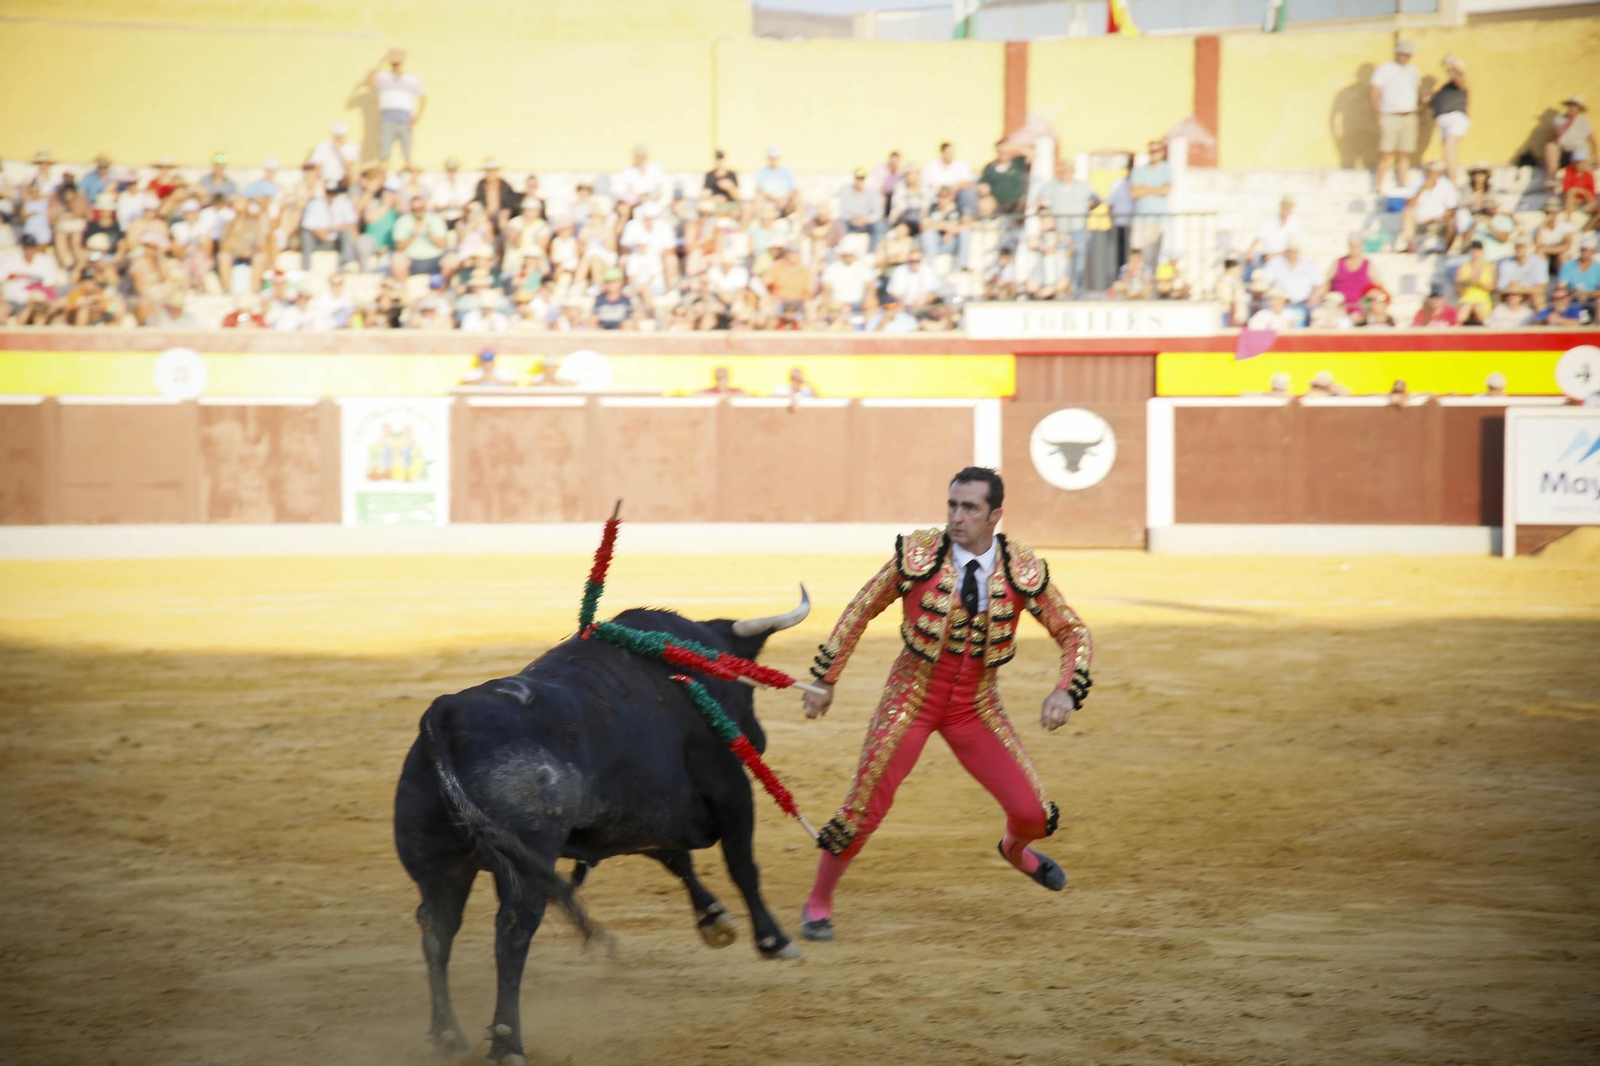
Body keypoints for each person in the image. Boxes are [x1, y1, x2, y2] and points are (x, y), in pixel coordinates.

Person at [797, 467, 1093, 942]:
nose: (957, 516)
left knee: (1034, 816)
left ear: (994, 515)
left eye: (970, 508)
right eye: (953, 505)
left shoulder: (1021, 570)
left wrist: (1065, 689)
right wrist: (825, 677)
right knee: (863, 807)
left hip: (975, 707)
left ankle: (1016, 852)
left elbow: (1072, 630)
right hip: (910, 696)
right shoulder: (918, 555)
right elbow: (861, 608)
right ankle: (818, 902)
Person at [1370, 39, 1421, 193]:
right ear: (1397, 53)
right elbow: (1374, 93)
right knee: (1385, 151)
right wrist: (1379, 116)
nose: (1405, 57)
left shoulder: (1413, 70)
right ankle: (1378, 186)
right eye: (1403, 54)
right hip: (1389, 115)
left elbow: (1416, 92)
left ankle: (1403, 187)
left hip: (1409, 116)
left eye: (1408, 54)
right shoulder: (1384, 69)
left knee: (1405, 153)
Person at [373, 49, 426, 166]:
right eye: (393, 63)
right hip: (388, 115)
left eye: (398, 63)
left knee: (407, 145)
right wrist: (380, 64)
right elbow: (371, 84)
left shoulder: (411, 78)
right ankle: (384, 167)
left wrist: (418, 115)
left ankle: (407, 166)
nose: (396, 66)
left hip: (405, 115)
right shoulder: (384, 76)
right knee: (385, 144)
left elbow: (423, 97)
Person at [1396, 163, 1457, 254]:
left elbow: (1451, 210)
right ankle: (1411, 245)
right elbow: (1409, 204)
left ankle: (1446, 249)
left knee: (1452, 221)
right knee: (1407, 212)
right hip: (1419, 219)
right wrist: (1421, 190)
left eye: (1434, 172)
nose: (1432, 175)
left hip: (1440, 219)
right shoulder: (1417, 183)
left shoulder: (1446, 184)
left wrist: (1439, 218)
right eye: (1429, 172)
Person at [1430, 54, 1470, 187]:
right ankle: (1450, 178)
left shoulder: (1460, 81)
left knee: (1449, 147)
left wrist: (1453, 65)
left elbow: (1460, 77)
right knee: (1447, 151)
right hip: (1444, 121)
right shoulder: (1445, 88)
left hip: (1455, 118)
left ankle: (1454, 182)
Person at [1129, 139, 1173, 262]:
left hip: (1159, 219)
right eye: (1151, 151)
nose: (1154, 153)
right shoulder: (1139, 170)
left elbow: (1166, 190)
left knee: (1156, 255)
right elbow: (1135, 192)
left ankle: (1151, 274)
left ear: (1162, 152)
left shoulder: (1167, 169)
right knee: (1138, 253)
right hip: (1141, 218)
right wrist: (1157, 189)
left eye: (1157, 150)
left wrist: (1146, 188)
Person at [1543, 94, 1594, 192]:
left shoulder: (1584, 121)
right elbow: (1548, 139)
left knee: (1580, 152)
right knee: (1550, 146)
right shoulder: (1559, 119)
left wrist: (1596, 157)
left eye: (1575, 106)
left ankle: (1573, 186)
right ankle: (1551, 178)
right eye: (1571, 105)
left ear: (1580, 109)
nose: (1572, 108)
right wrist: (1556, 134)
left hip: (1577, 153)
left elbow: (1592, 139)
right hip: (1562, 152)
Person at [391, 195, 449, 280]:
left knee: (451, 260)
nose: (418, 211)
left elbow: (443, 244)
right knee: (396, 259)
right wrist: (413, 236)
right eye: (415, 209)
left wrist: (429, 233)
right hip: (412, 260)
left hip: (435, 258)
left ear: (425, 207)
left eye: (420, 208)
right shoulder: (402, 221)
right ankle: (402, 287)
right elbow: (398, 247)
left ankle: (442, 286)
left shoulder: (435, 219)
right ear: (410, 209)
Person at [1327, 233, 1380, 313]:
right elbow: (1326, 284)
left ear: (1362, 246)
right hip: (1338, 309)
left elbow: (1378, 287)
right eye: (1352, 246)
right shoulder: (1337, 263)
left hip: (1361, 310)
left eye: (1357, 246)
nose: (1354, 249)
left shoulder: (1369, 265)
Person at [839, 168, 885, 251]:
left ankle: (872, 253)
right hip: (851, 221)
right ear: (854, 178)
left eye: (862, 178)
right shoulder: (846, 191)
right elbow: (843, 211)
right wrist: (852, 218)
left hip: (867, 222)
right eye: (858, 178)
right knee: (839, 224)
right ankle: (841, 251)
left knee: (879, 225)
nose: (859, 181)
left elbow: (878, 212)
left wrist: (867, 219)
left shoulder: (873, 192)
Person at [978, 140, 1028, 216]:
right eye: (1000, 151)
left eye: (1005, 151)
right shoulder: (990, 167)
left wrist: (1015, 148)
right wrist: (986, 194)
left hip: (1016, 202)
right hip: (996, 203)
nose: (1003, 154)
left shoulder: (1017, 163)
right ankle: (986, 222)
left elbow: (1032, 154)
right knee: (984, 204)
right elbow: (983, 184)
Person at [1497, 236, 1550, 308]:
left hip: (1529, 294)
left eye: (1521, 247)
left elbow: (1542, 288)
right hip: (1511, 294)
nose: (1518, 249)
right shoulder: (1505, 263)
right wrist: (1515, 290)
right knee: (1499, 299)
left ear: (1528, 248)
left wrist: (1521, 288)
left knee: (1538, 299)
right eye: (1516, 247)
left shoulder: (1539, 261)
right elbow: (1500, 288)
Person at [308, 122, 357, 186]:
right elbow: (316, 166)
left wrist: (340, 151)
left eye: (341, 136)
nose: (338, 138)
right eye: (336, 136)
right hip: (325, 181)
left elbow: (349, 168)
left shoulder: (352, 147)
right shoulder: (323, 145)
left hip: (343, 181)